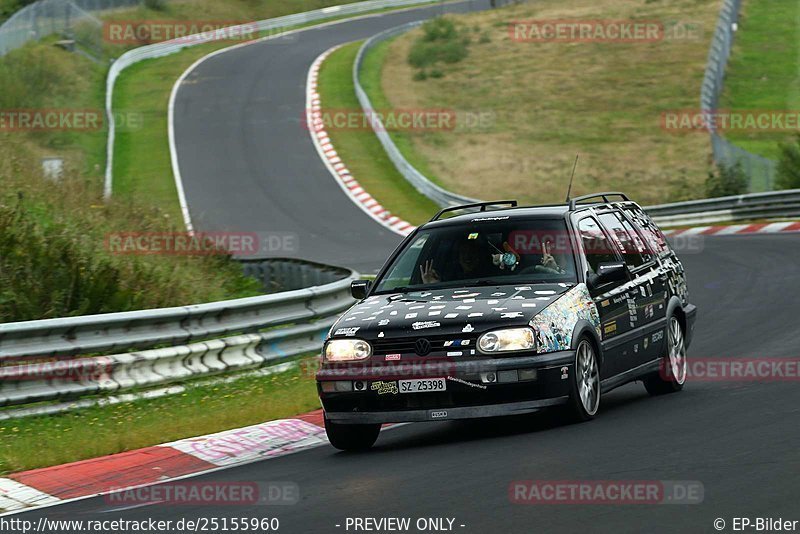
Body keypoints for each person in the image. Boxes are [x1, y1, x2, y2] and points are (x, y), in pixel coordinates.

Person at [420, 238, 490, 284]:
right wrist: (433, 285)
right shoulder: (449, 279)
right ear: (458, 257)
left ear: (479, 255)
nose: (467, 256)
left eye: (472, 252)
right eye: (463, 252)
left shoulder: (490, 278)